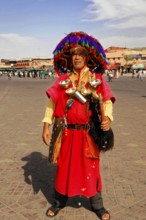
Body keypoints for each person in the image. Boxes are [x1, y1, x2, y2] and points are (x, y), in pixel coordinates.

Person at [42, 32, 115, 220]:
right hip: (67, 134)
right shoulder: (62, 80)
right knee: (64, 168)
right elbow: (51, 104)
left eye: (81, 54)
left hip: (88, 134)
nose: (76, 57)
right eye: (73, 54)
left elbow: (106, 101)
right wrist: (46, 126)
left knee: (91, 168)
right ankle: (59, 202)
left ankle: (97, 205)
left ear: (87, 57)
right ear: (70, 58)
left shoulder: (97, 79)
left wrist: (107, 118)